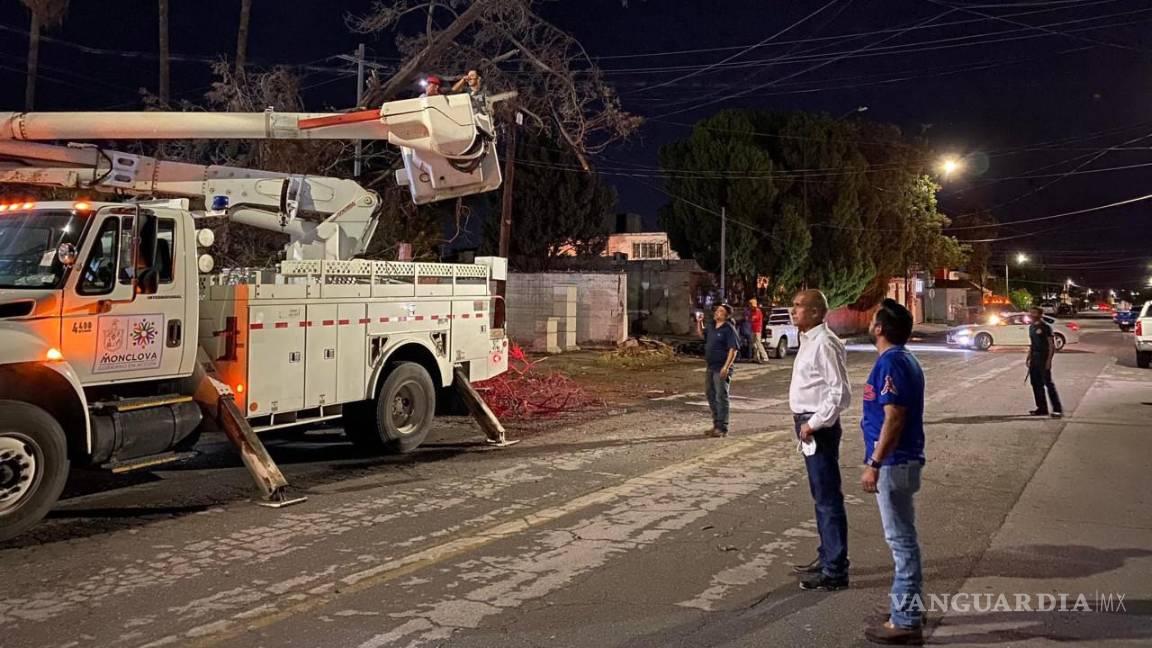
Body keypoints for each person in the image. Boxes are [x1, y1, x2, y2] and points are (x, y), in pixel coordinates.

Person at [860, 299, 927, 645]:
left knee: (901, 543)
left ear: (880, 328)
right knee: (904, 540)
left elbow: (894, 418)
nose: (870, 323)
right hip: (900, 461)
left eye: (874, 320)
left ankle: (906, 620)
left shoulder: (892, 363)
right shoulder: (901, 360)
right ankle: (909, 608)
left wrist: (874, 463)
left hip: (894, 463)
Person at [788, 289, 852, 590]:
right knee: (821, 498)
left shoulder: (824, 343)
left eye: (799, 306)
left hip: (818, 428)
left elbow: (840, 393)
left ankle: (835, 570)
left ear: (815, 313)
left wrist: (812, 424)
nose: (792, 310)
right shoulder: (809, 340)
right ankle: (827, 557)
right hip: (809, 424)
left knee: (828, 500)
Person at [694, 303, 740, 438]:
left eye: (720, 311)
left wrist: (726, 367)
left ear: (726, 315)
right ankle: (716, 425)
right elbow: (702, 335)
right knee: (710, 394)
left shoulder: (729, 329)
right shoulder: (712, 326)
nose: (717, 313)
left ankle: (722, 427)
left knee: (721, 396)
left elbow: (733, 350)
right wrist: (699, 322)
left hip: (722, 367)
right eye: (717, 310)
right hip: (711, 366)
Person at [1026, 306, 1063, 418]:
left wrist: (1049, 361)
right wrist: (1028, 357)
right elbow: (1032, 344)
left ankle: (1057, 409)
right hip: (1035, 359)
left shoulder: (1046, 327)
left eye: (1034, 313)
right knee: (1036, 384)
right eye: (1031, 312)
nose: (1032, 315)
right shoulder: (1031, 327)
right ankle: (1042, 408)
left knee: (1048, 384)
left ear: (1040, 314)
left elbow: (1051, 345)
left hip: (1043, 358)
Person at [747, 297, 769, 364]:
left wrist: (750, 319)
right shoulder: (751, 311)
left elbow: (753, 319)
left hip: (757, 329)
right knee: (754, 344)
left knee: (758, 343)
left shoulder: (757, 311)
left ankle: (765, 357)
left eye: (750, 305)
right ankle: (756, 357)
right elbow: (749, 319)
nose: (749, 306)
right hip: (753, 329)